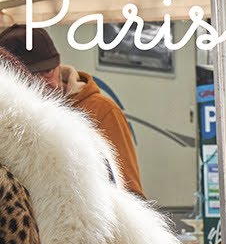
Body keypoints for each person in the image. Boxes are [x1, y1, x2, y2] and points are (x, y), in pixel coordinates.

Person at [0, 25, 144, 197]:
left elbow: (132, 194)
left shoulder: (102, 110)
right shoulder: (11, 122)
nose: (47, 83)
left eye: (48, 71)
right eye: (33, 76)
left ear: (59, 65)